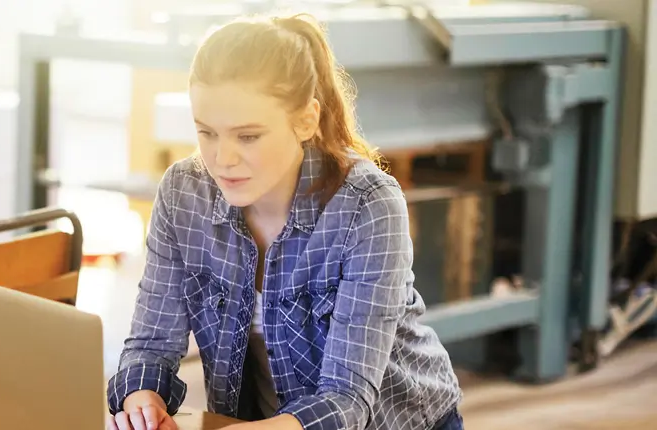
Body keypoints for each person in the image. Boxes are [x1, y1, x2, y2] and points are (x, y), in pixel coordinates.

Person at [105, 13, 464, 430]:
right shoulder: (184, 192)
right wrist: (141, 402)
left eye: (248, 136)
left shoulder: (368, 204)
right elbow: (150, 344)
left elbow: (346, 399)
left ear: (306, 120)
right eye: (207, 133)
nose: (223, 159)